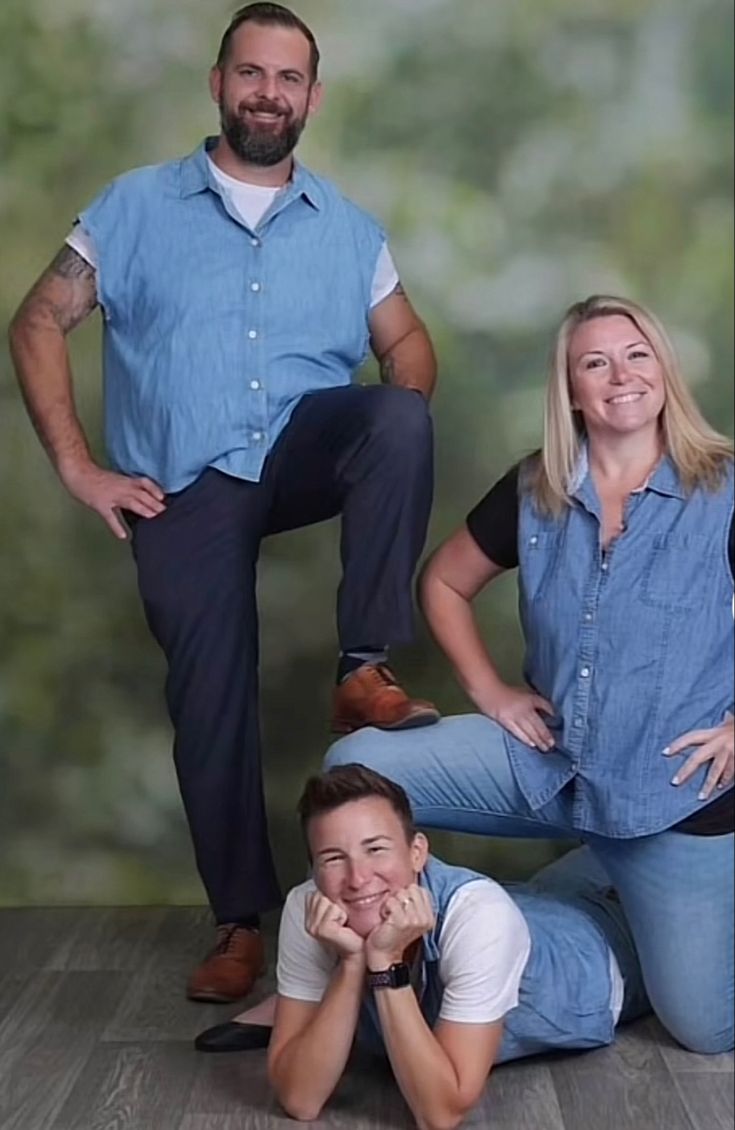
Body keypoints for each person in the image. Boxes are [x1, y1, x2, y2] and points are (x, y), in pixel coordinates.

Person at [8, 3, 440, 1005]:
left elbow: (408, 345)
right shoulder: (134, 206)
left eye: (288, 79)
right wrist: (80, 466)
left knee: (398, 418)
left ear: (312, 98)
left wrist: (400, 418)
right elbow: (37, 320)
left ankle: (363, 666)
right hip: (182, 479)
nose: (268, 94)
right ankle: (239, 922)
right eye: (251, 73)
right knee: (210, 691)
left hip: (295, 453)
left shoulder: (348, 228)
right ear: (218, 82)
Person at [326, 294, 735, 1056]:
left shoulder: (722, 488)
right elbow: (443, 581)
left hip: (671, 798)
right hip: (548, 762)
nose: (620, 375)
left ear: (663, 372)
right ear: (571, 388)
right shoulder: (535, 487)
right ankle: (364, 967)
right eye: (595, 362)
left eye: (636, 354)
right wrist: (490, 692)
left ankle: (627, 907)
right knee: (357, 772)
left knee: (704, 1028)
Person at [197, 764, 649, 1128]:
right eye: (334, 858)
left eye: (376, 849)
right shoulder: (308, 906)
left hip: (604, 944)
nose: (357, 879)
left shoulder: (480, 916)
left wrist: (386, 963)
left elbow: (439, 1113)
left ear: (418, 853)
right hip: (535, 896)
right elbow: (300, 1100)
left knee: (657, 862)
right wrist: (355, 961)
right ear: (314, 869)